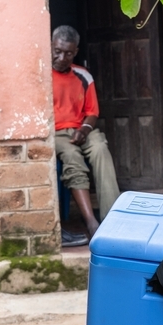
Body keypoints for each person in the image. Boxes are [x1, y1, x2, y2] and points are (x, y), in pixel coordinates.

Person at [51, 25, 121, 247]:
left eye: (69, 53)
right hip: (55, 133)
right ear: (51, 46)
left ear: (76, 51)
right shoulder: (41, 75)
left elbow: (92, 113)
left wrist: (85, 129)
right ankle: (91, 222)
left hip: (82, 129)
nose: (62, 57)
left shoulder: (83, 76)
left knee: (100, 148)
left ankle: (113, 220)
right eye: (58, 51)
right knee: (72, 157)